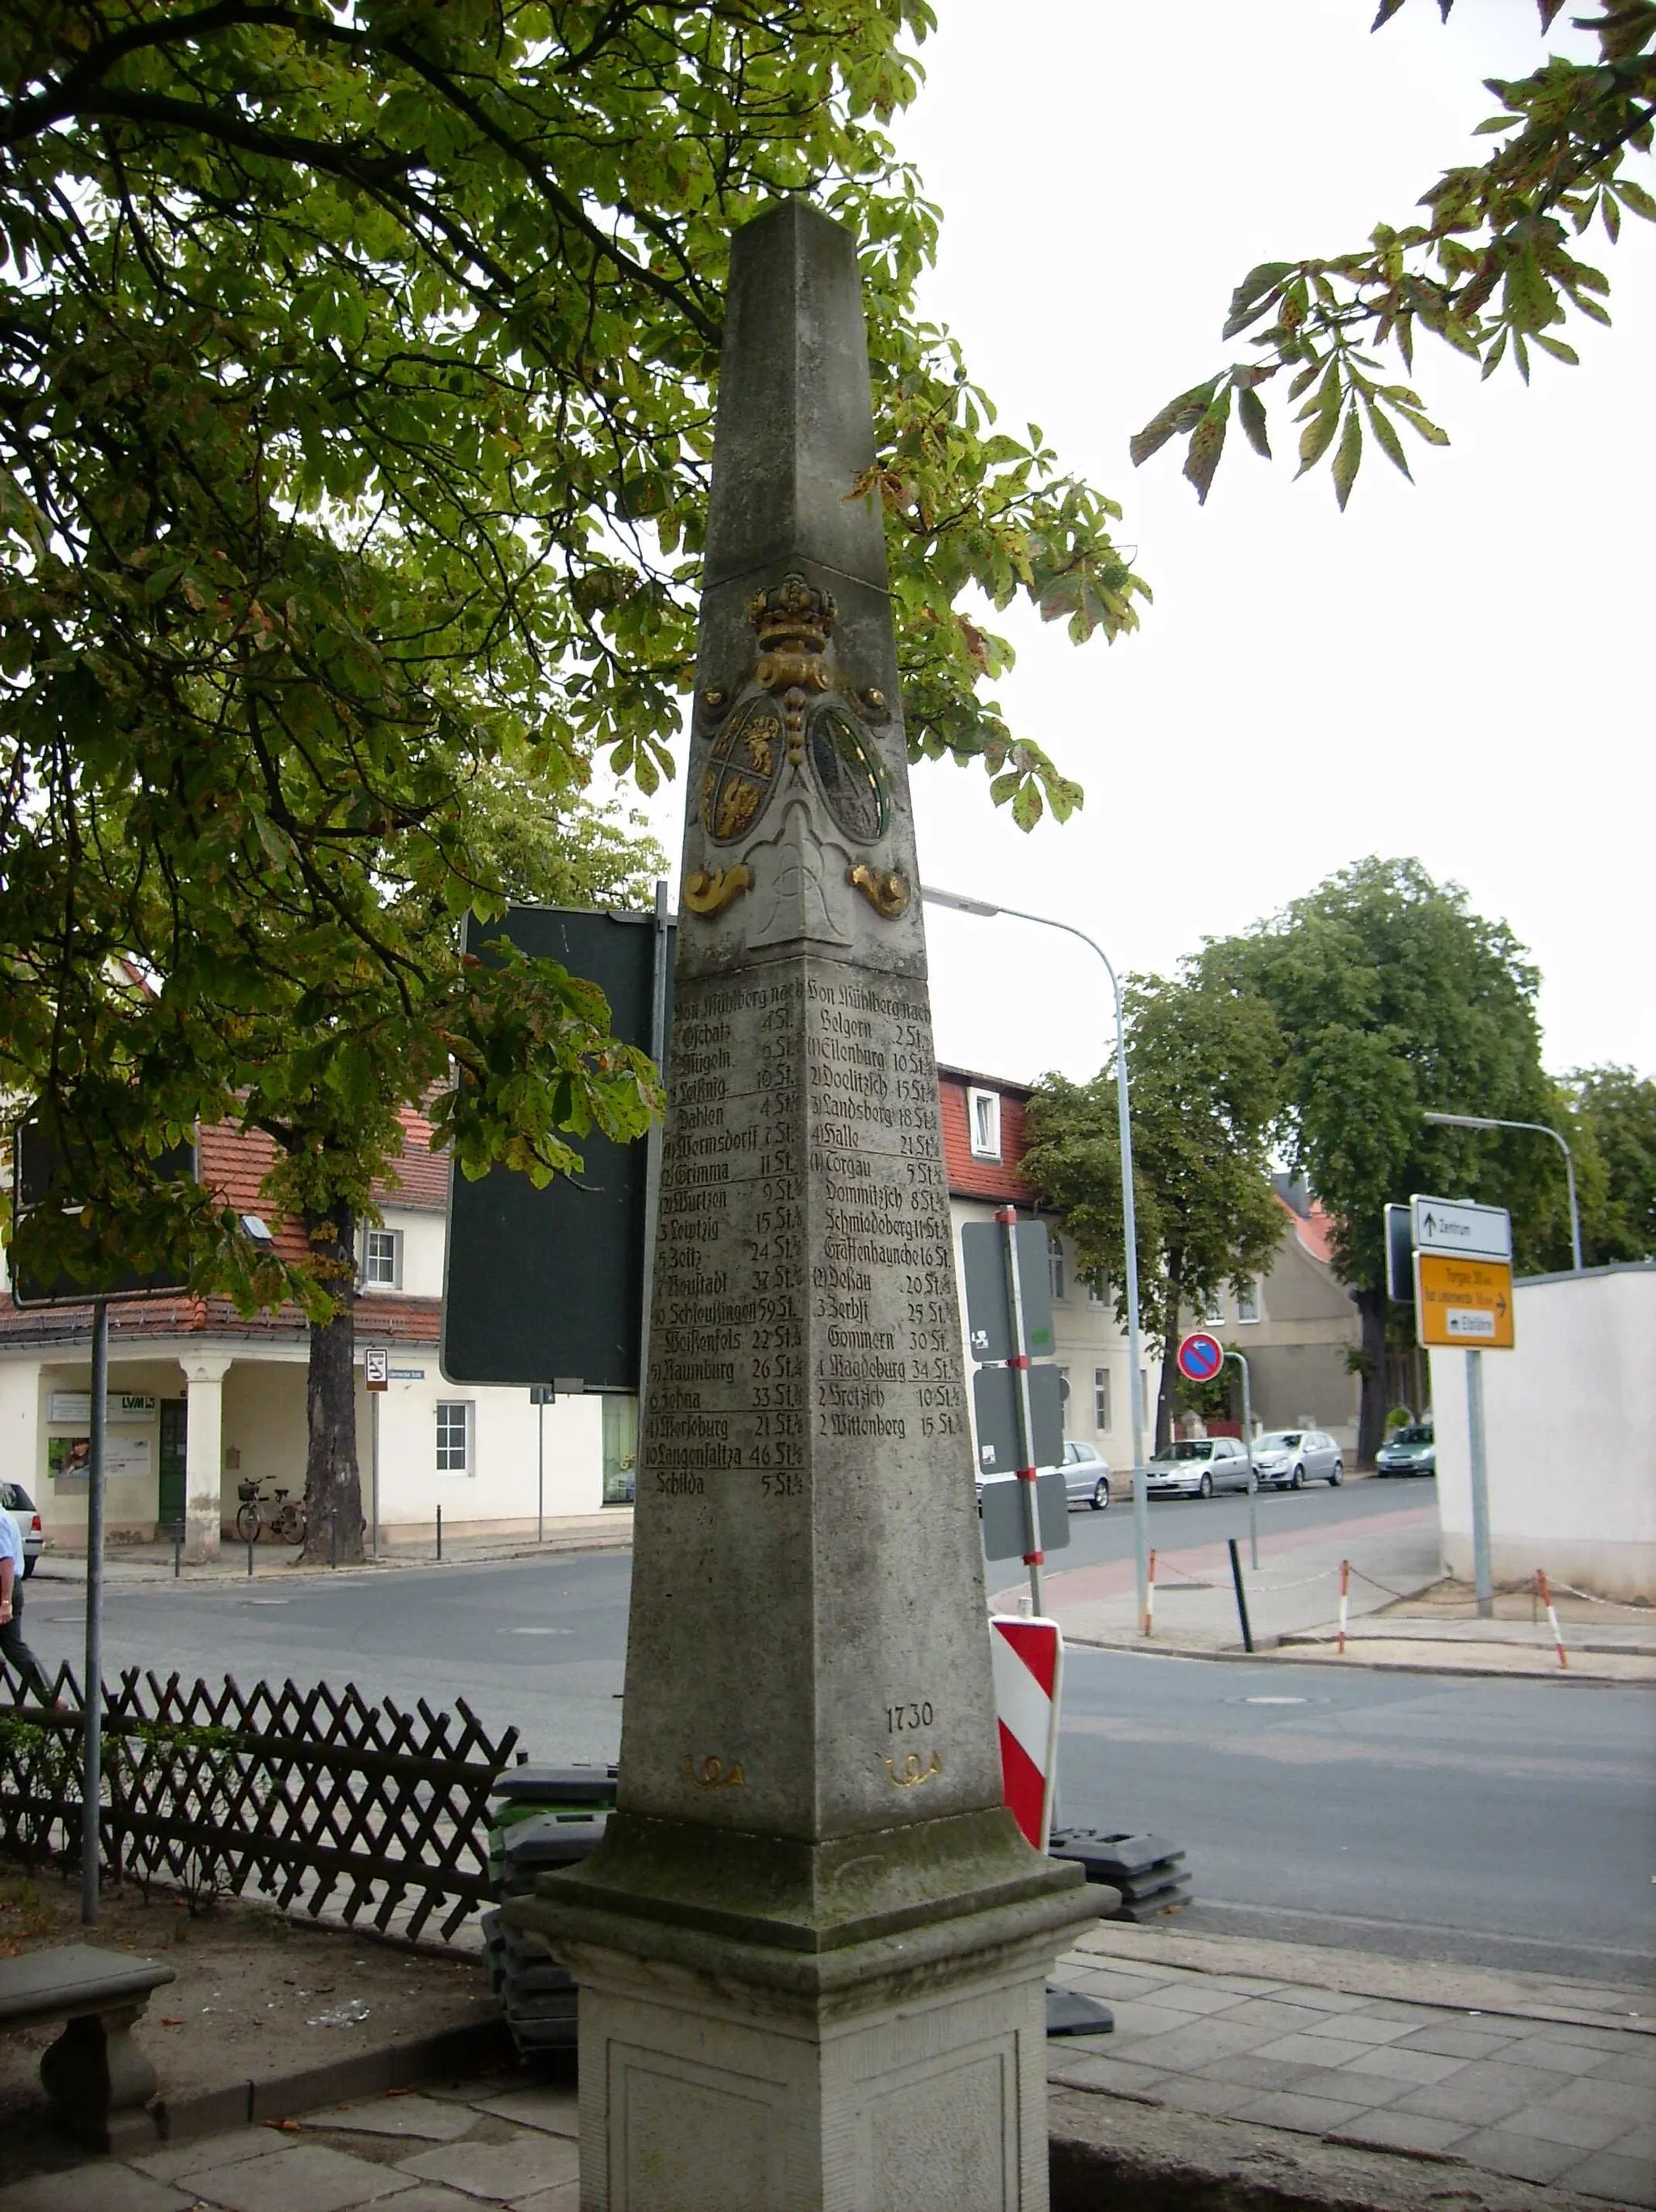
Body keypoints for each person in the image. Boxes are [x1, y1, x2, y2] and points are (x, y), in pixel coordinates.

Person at [0, 1499, 53, 1703]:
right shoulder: (7, 1517)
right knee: (14, 1647)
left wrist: (5, 1602)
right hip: (11, 1586)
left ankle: (51, 1696)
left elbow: (5, 1562)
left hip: (5, 1586)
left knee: (15, 1647)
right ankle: (49, 1696)